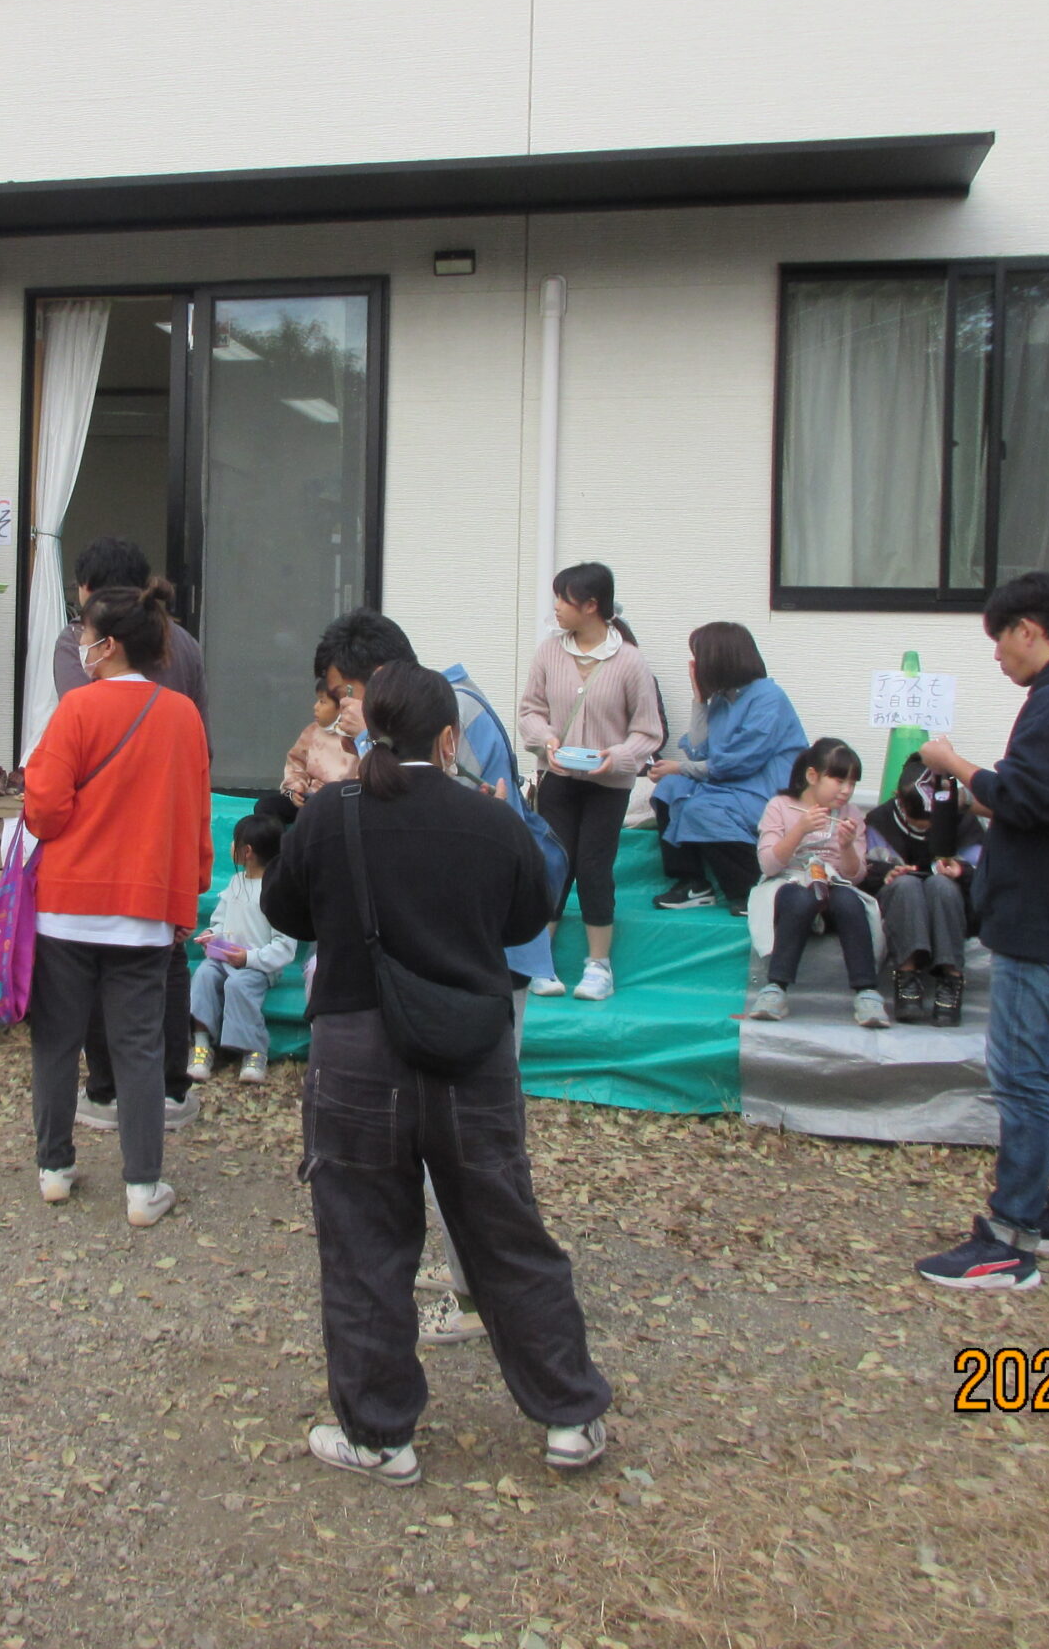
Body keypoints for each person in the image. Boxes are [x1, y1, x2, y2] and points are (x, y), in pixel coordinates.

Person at [261, 661, 610, 1485]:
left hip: (355, 1048)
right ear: (449, 738)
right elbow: (527, 919)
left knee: (363, 1245)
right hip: (471, 1051)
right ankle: (568, 1416)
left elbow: (283, 908)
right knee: (505, 1233)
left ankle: (381, 1436)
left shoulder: (332, 813)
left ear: (366, 728)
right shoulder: (489, 820)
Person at [314, 607, 569, 1349]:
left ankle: (478, 1295)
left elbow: (453, 822)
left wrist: (360, 761)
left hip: (479, 956)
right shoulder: (447, 707)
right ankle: (474, 1281)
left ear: (378, 680)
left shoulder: (456, 716)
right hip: (464, 954)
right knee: (466, 1140)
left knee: (474, 1149)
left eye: (345, 691)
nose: (342, 706)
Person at [914, 572, 1049, 1291]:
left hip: (1042, 919)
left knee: (1022, 1078)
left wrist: (956, 766)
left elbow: (1036, 797)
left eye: (999, 639)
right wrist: (990, 795)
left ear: (1029, 631)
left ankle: (1008, 1240)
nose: (997, 655)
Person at [21, 581, 213, 1228]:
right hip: (145, 909)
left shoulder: (75, 710)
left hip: (66, 904)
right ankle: (143, 1186)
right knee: (139, 1047)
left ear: (106, 646)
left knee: (56, 1041)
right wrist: (187, 898)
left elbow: (45, 810)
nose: (78, 644)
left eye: (83, 633)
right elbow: (195, 816)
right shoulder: (182, 716)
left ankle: (54, 1169)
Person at [51, 536, 211, 1134]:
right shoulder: (185, 644)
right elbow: (201, 745)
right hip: (165, 825)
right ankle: (168, 1090)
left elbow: (79, 727)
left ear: (93, 592)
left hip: (100, 830)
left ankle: (106, 1090)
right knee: (165, 960)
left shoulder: (80, 643)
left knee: (97, 964)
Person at [516, 562, 664, 1001]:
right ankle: (539, 961)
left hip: (609, 784)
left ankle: (598, 966)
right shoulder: (548, 652)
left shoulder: (630, 661)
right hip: (557, 776)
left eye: (564, 599)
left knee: (595, 868)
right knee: (554, 863)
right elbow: (530, 711)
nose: (557, 608)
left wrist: (617, 757)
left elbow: (648, 731)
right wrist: (547, 740)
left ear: (591, 605)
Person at [643, 622, 805, 915]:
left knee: (704, 809)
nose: (694, 665)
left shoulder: (768, 698)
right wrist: (699, 699)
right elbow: (699, 750)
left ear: (719, 658)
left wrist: (681, 767)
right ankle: (693, 883)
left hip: (766, 790)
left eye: (698, 657)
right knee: (669, 788)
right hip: (730, 784)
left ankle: (749, 889)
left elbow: (738, 762)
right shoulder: (722, 698)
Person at [747, 737, 884, 1026]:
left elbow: (855, 876)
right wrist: (800, 830)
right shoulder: (781, 806)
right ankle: (775, 987)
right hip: (788, 882)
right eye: (839, 781)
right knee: (799, 897)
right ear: (812, 776)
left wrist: (847, 847)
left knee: (849, 901)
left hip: (832, 883)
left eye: (852, 783)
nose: (846, 791)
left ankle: (867, 991)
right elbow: (768, 864)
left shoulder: (851, 815)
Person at [864, 753, 984, 1025]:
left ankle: (951, 977)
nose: (925, 826)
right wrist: (887, 872)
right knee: (905, 884)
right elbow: (865, 870)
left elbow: (983, 870)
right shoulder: (880, 820)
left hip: (951, 901)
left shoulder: (964, 821)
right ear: (898, 799)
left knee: (941, 885)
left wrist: (961, 871)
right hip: (902, 899)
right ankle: (907, 975)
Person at [189, 810, 298, 1085]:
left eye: (234, 842)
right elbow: (220, 921)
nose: (230, 846)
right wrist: (211, 935)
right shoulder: (236, 882)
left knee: (238, 985)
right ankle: (202, 1044)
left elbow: (285, 947)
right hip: (224, 958)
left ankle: (254, 1049)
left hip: (258, 966)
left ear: (246, 851)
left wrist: (248, 958)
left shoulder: (276, 891)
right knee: (204, 976)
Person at [282, 678, 359, 803]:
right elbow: (296, 764)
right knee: (267, 805)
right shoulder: (311, 731)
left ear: (342, 707)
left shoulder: (359, 735)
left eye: (322, 701)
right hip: (310, 796)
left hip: (340, 801)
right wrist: (295, 790)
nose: (315, 707)